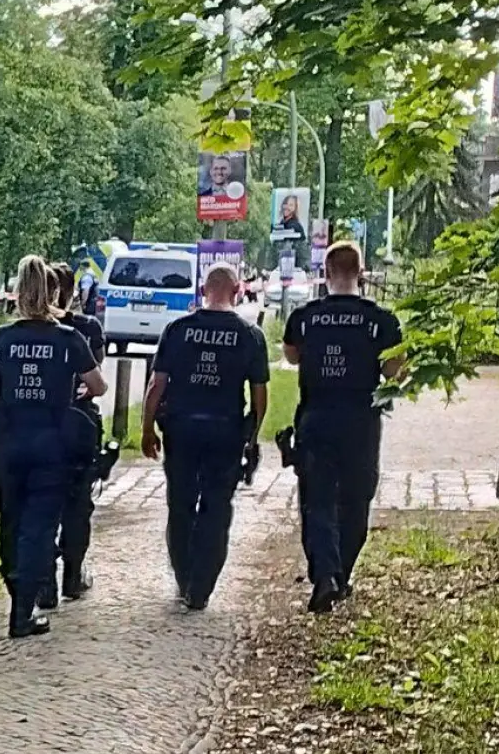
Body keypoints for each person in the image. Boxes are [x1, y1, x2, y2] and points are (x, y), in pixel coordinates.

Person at [0, 256, 108, 638]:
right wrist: (73, 392)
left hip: (9, 444)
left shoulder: (3, 337)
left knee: (11, 523)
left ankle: (17, 593)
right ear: (52, 294)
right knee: (39, 526)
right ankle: (22, 613)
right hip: (52, 445)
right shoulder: (68, 338)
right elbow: (98, 386)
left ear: (17, 293)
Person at [282, 241, 403, 614]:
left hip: (316, 415)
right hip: (361, 420)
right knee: (356, 498)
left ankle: (324, 575)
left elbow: (290, 355)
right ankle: (342, 575)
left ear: (327, 273)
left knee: (316, 499)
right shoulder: (381, 319)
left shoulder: (304, 316)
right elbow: (394, 370)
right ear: (361, 273)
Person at [141, 263, 269, 610]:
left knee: (180, 505)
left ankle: (184, 578)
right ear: (238, 290)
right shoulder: (250, 335)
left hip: (181, 430)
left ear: (203, 290)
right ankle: (202, 587)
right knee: (216, 508)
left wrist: (146, 428)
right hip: (225, 432)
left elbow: (157, 386)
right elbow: (259, 395)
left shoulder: (178, 329)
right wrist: (252, 436)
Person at [41, 261, 107, 608]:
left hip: (39, 429)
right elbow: (95, 382)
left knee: (41, 504)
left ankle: (44, 582)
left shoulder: (30, 329)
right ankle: (73, 575)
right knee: (78, 505)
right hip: (79, 427)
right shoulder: (87, 328)